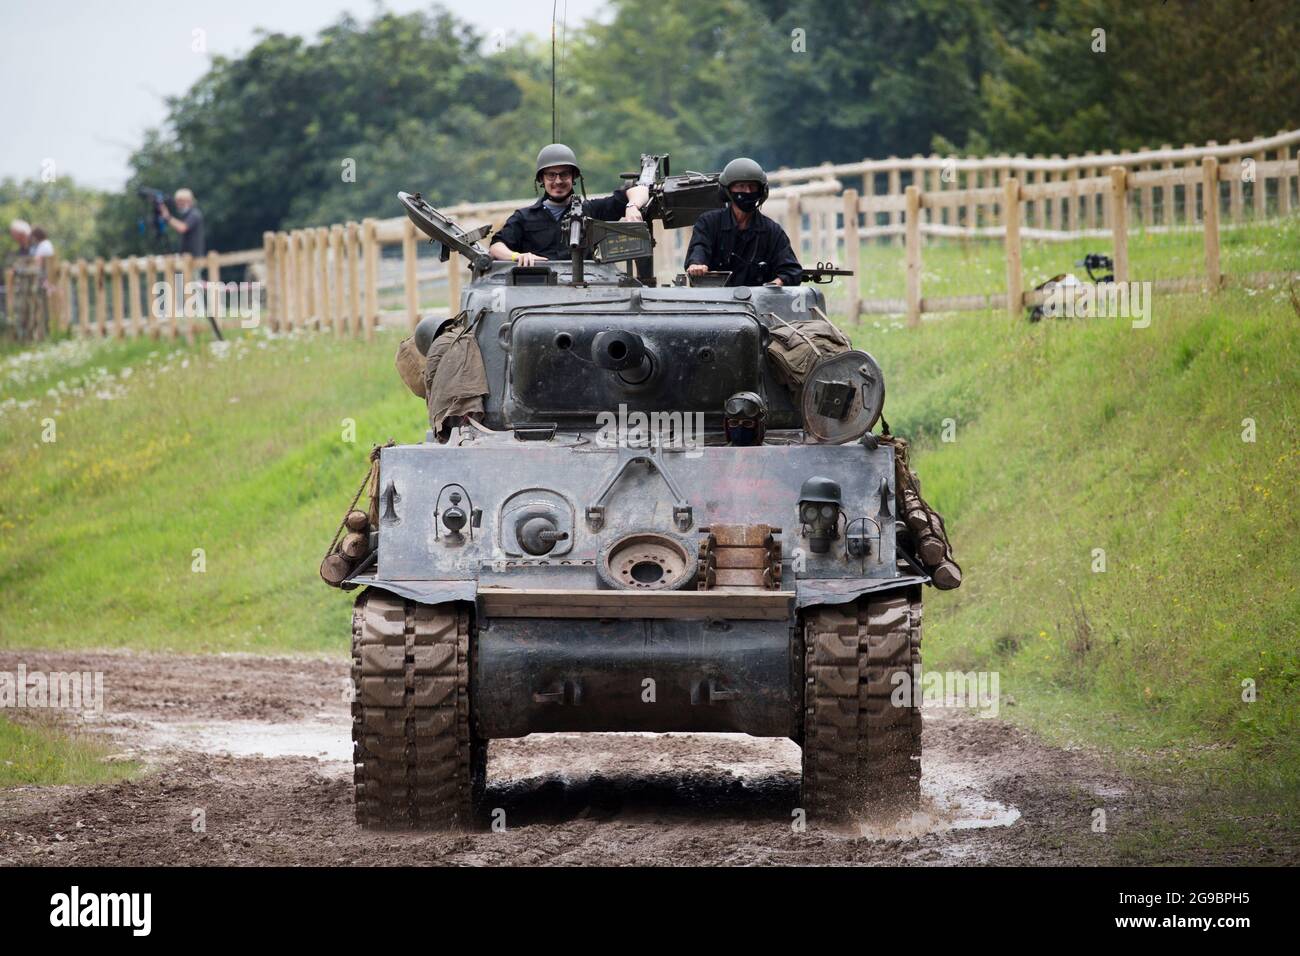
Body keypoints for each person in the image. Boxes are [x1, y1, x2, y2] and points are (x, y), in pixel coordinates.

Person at [489, 144, 650, 267]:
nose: (558, 181)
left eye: (564, 174)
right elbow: (496, 246)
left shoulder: (592, 210)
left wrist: (632, 206)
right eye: (551, 175)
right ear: (541, 179)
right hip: (537, 292)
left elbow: (640, 189)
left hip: (586, 291)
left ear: (573, 177)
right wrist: (517, 256)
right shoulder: (524, 217)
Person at [685, 157, 801, 287]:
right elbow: (699, 248)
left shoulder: (772, 231)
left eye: (752, 186)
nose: (748, 191)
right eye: (741, 186)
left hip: (758, 303)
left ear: (761, 190)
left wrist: (776, 284)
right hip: (715, 301)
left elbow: (791, 270)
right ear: (728, 190)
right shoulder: (709, 223)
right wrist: (697, 264)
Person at [159, 188, 206, 257]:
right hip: (187, 257)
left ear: (189, 201)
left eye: (181, 202)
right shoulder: (187, 214)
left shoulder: (194, 214)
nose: (178, 205)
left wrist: (167, 217)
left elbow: (182, 228)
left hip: (194, 258)